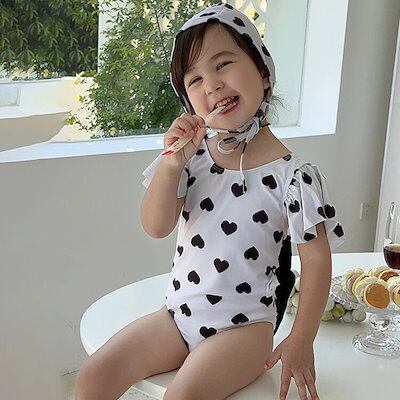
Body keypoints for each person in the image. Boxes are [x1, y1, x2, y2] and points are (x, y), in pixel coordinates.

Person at [75, 4, 345, 400]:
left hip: (244, 331)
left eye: (223, 64)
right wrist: (171, 164)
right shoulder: (191, 159)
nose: (212, 85)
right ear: (188, 99)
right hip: (177, 317)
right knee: (92, 377)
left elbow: (317, 261)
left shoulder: (295, 177)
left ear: (263, 72)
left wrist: (301, 339)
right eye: (195, 79)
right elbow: (155, 226)